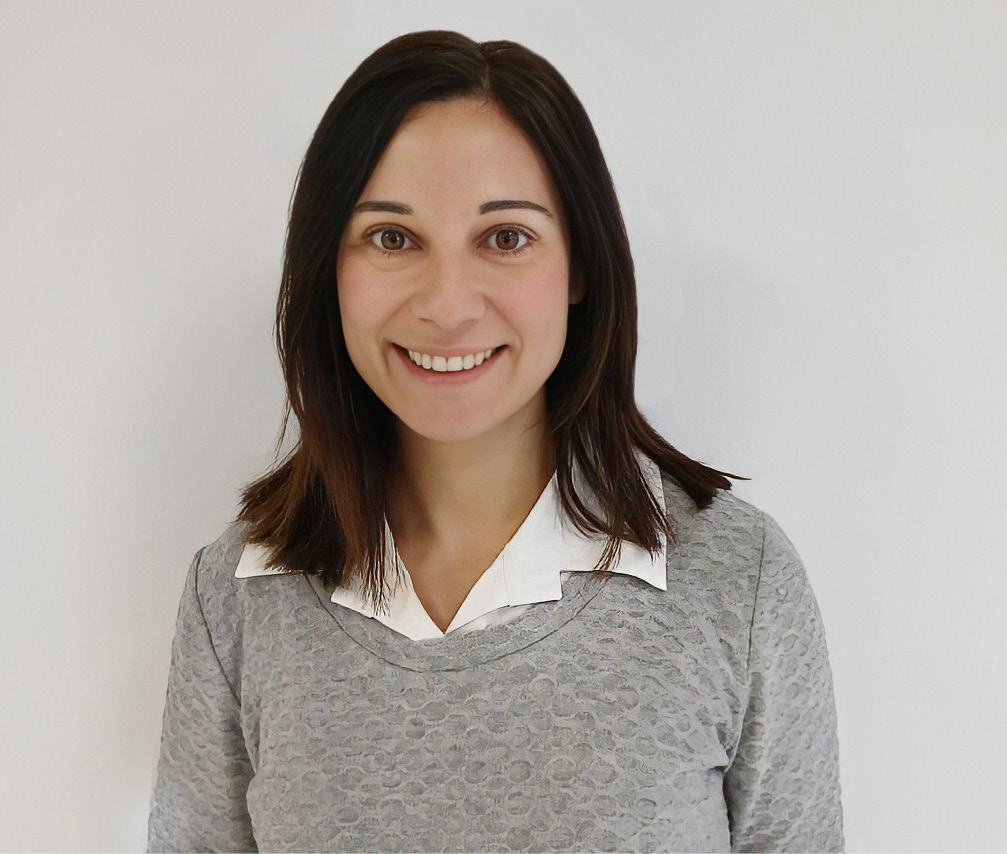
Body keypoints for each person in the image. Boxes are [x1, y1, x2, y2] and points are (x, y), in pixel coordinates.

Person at [147, 30, 844, 853]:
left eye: (505, 237)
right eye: (392, 238)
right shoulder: (236, 598)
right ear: (328, 269)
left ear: (580, 266)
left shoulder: (736, 581)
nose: (447, 305)